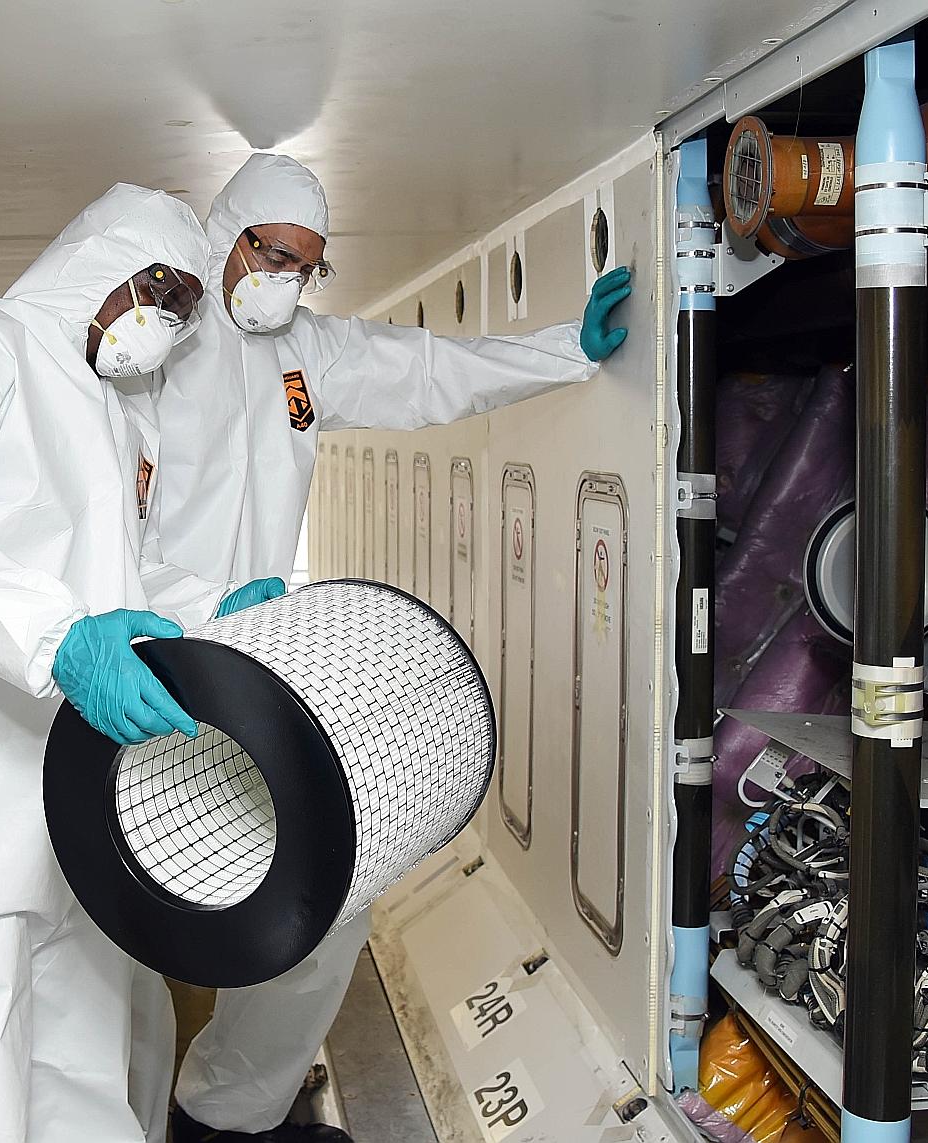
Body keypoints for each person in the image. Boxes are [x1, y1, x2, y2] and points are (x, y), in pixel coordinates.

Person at [151, 153, 632, 1143]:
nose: (287, 277)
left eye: (308, 265)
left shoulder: (302, 357)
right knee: (118, 928)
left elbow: (428, 376)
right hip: (144, 660)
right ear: (224, 234)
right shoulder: (151, 344)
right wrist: (179, 605)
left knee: (322, 904)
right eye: (274, 252)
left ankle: (225, 1116)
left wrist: (567, 352)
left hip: (252, 662)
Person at [0, 183, 282, 1143]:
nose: (169, 319)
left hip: (65, 814)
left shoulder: (112, 409)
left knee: (83, 1087)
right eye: (158, 288)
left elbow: (111, 576)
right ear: (96, 261)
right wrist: (57, 643)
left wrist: (211, 606)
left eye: (189, 304)